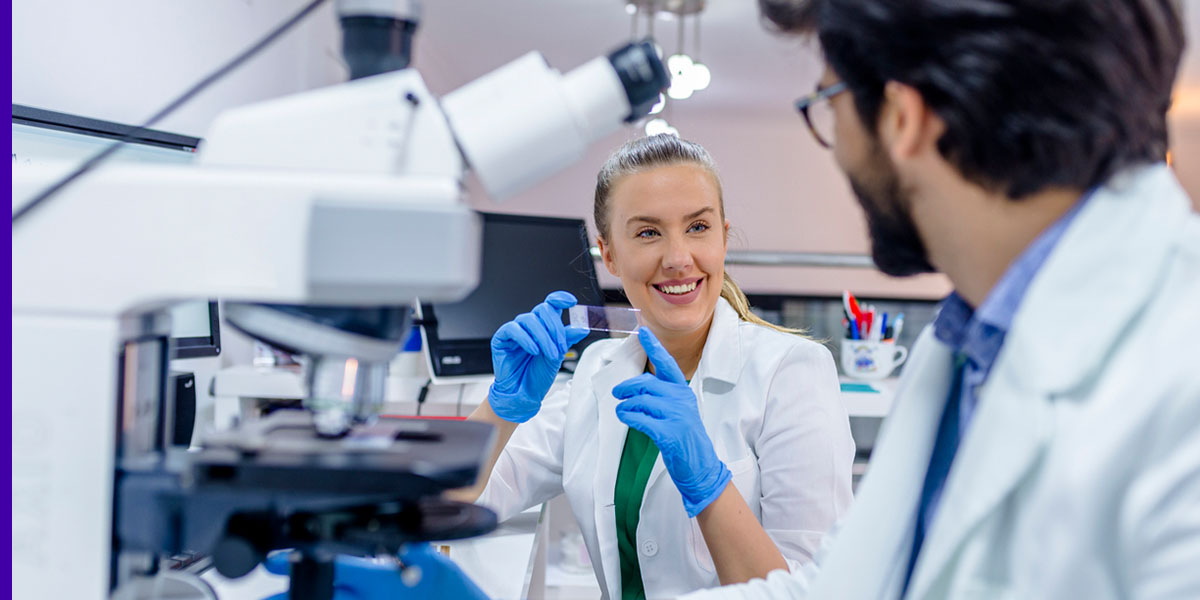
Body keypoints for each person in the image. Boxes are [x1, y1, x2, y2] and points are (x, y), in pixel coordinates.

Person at [676, 1, 1200, 598]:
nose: (839, 147)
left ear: (903, 118)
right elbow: (846, 587)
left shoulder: (1180, 382)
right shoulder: (961, 343)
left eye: (829, 103)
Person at [451, 133, 855, 599]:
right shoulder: (598, 371)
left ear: (724, 236)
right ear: (611, 255)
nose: (679, 259)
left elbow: (815, 592)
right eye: (648, 233)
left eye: (698, 227)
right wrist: (503, 408)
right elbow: (459, 506)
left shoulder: (793, 372)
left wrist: (710, 487)